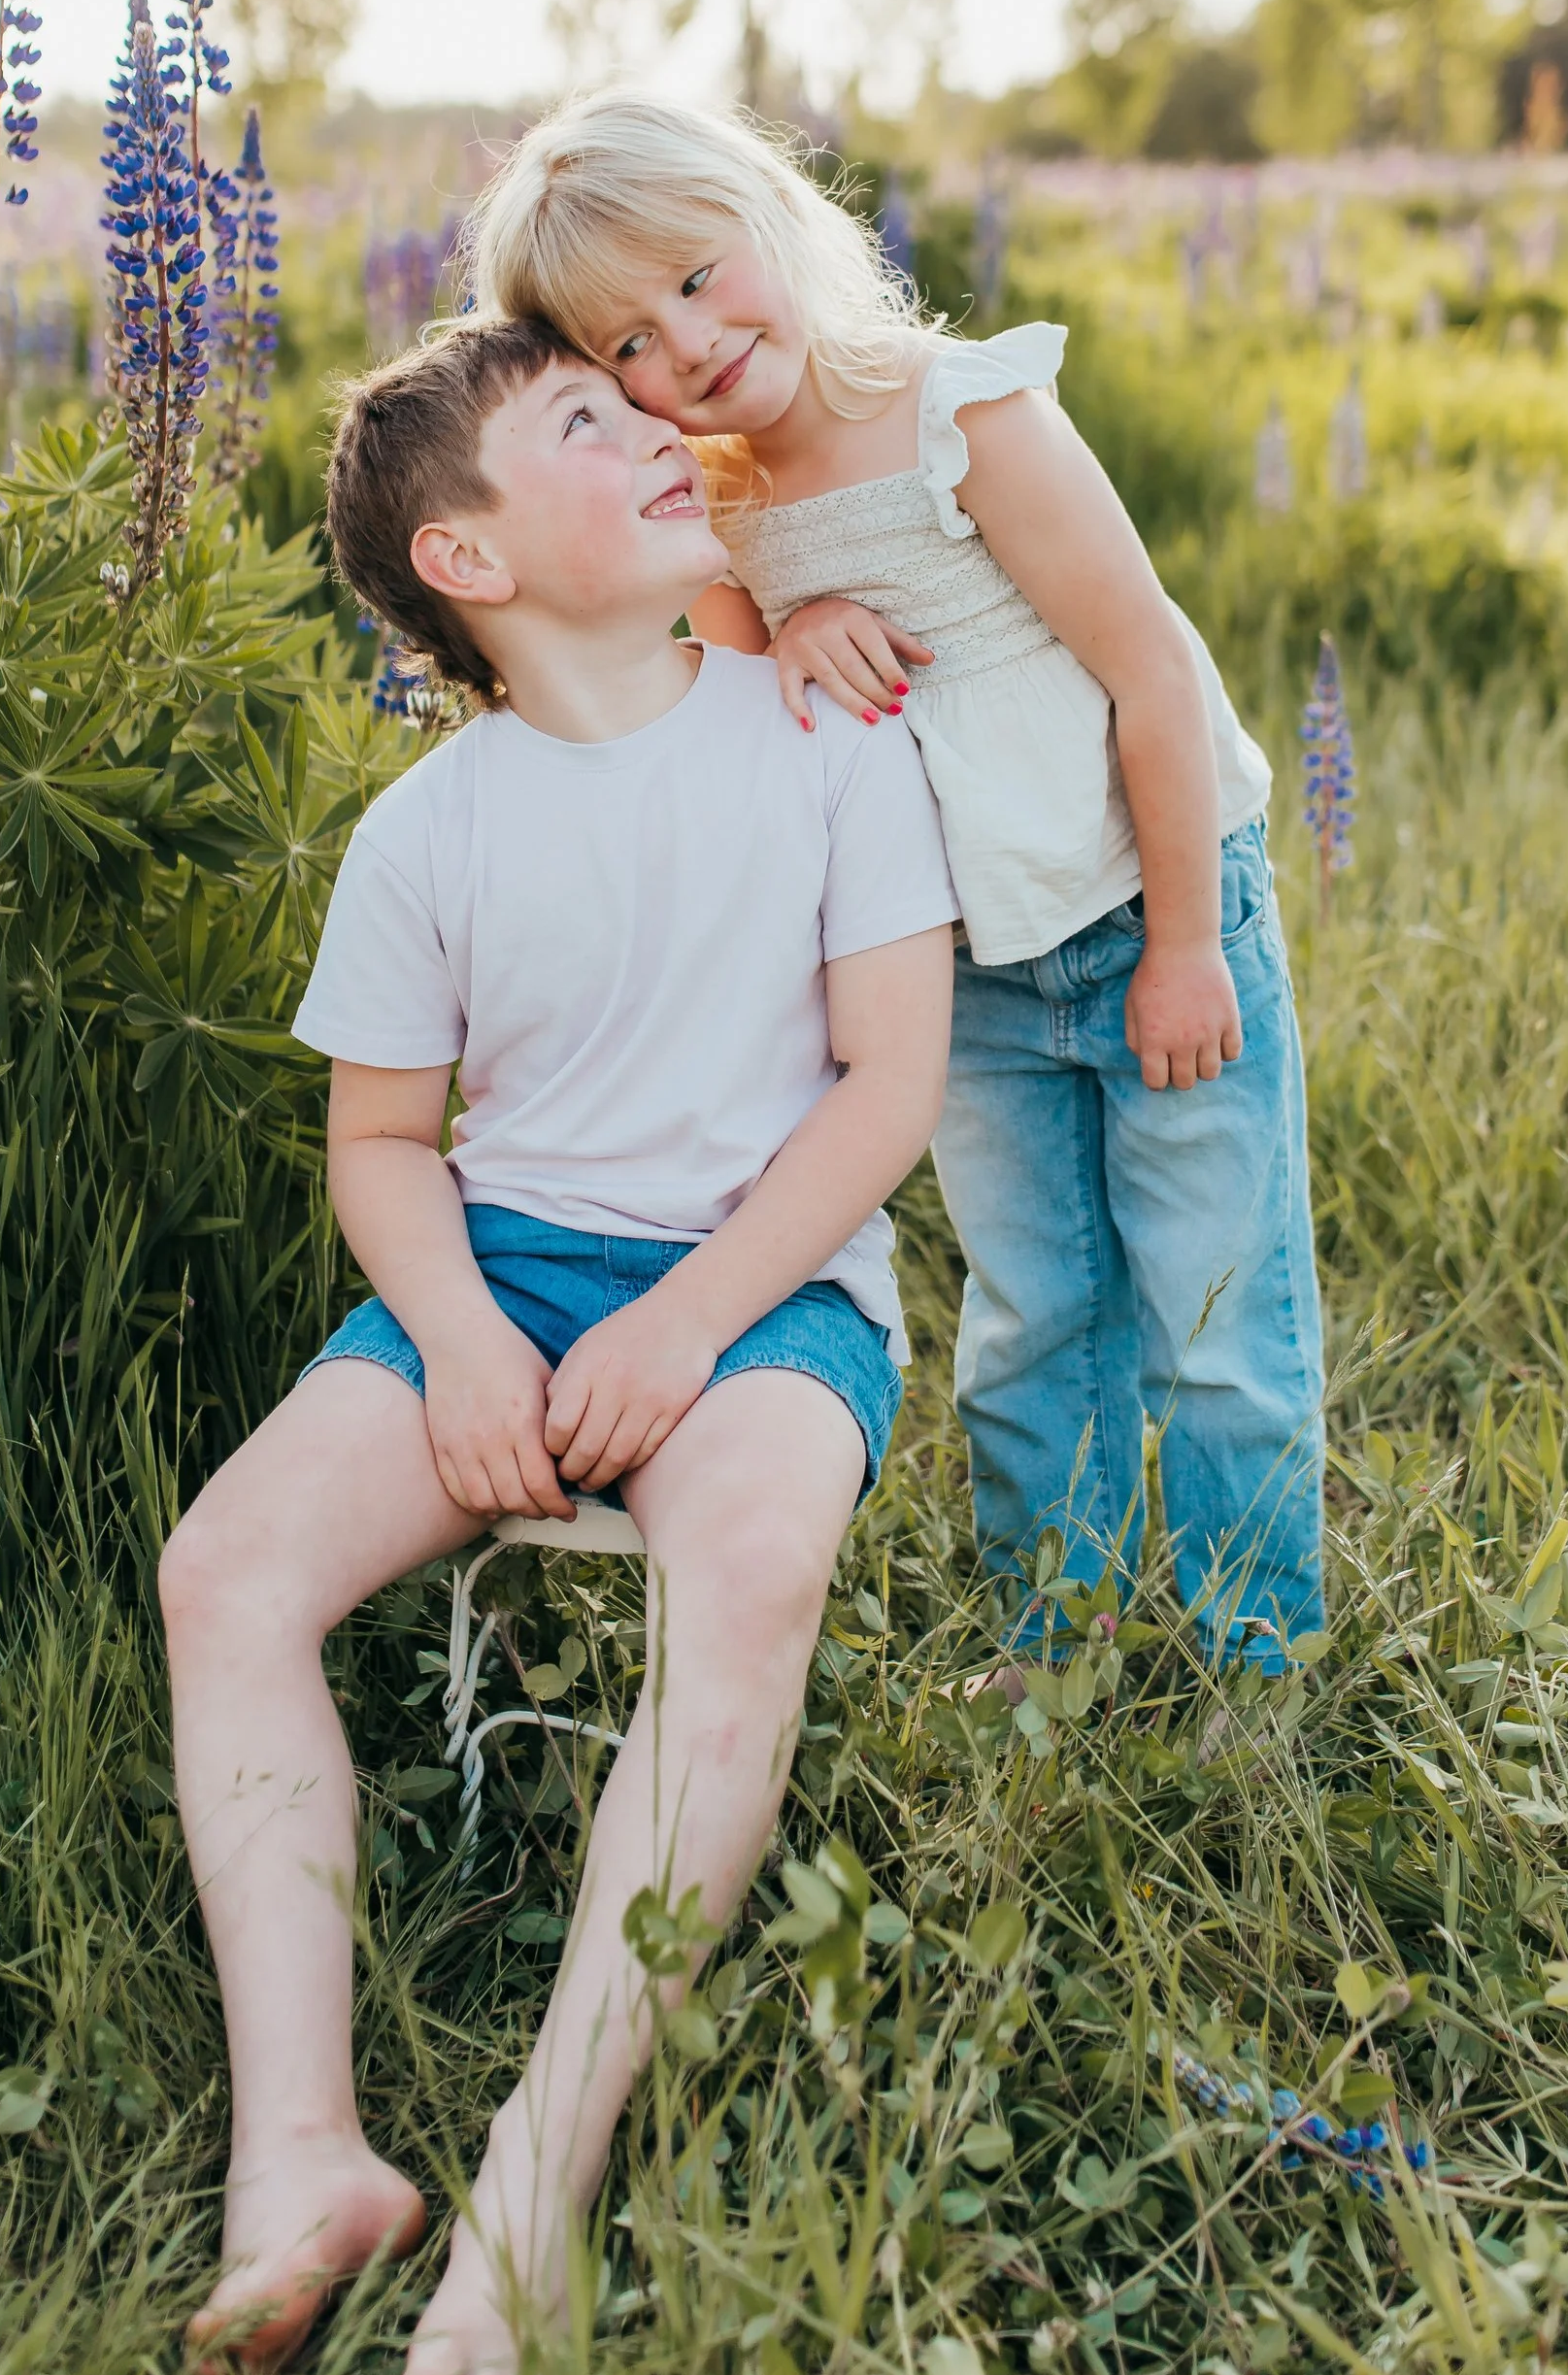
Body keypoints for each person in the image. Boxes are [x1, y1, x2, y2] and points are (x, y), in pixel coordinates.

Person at [158, 311, 955, 2375]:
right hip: (493, 1272)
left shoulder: (820, 732)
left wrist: (691, 1317)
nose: (655, 431)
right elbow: (380, 1149)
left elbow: (886, 1089)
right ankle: (300, 2156)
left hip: (763, 1282)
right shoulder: (429, 829)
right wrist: (462, 1340)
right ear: (472, 567)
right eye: (585, 425)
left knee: (753, 1571)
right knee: (225, 1573)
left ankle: (536, 2180)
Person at [468, 91, 1325, 1665]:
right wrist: (786, 625)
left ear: (768, 216)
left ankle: (1247, 1664)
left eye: (698, 275)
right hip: (971, 972)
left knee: (1218, 1321)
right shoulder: (719, 510)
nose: (691, 342)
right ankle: (1053, 1647)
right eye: (633, 345)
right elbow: (726, 710)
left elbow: (1148, 665)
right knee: (1034, 1316)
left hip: (1154, 899)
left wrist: (1191, 940)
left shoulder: (956, 410)